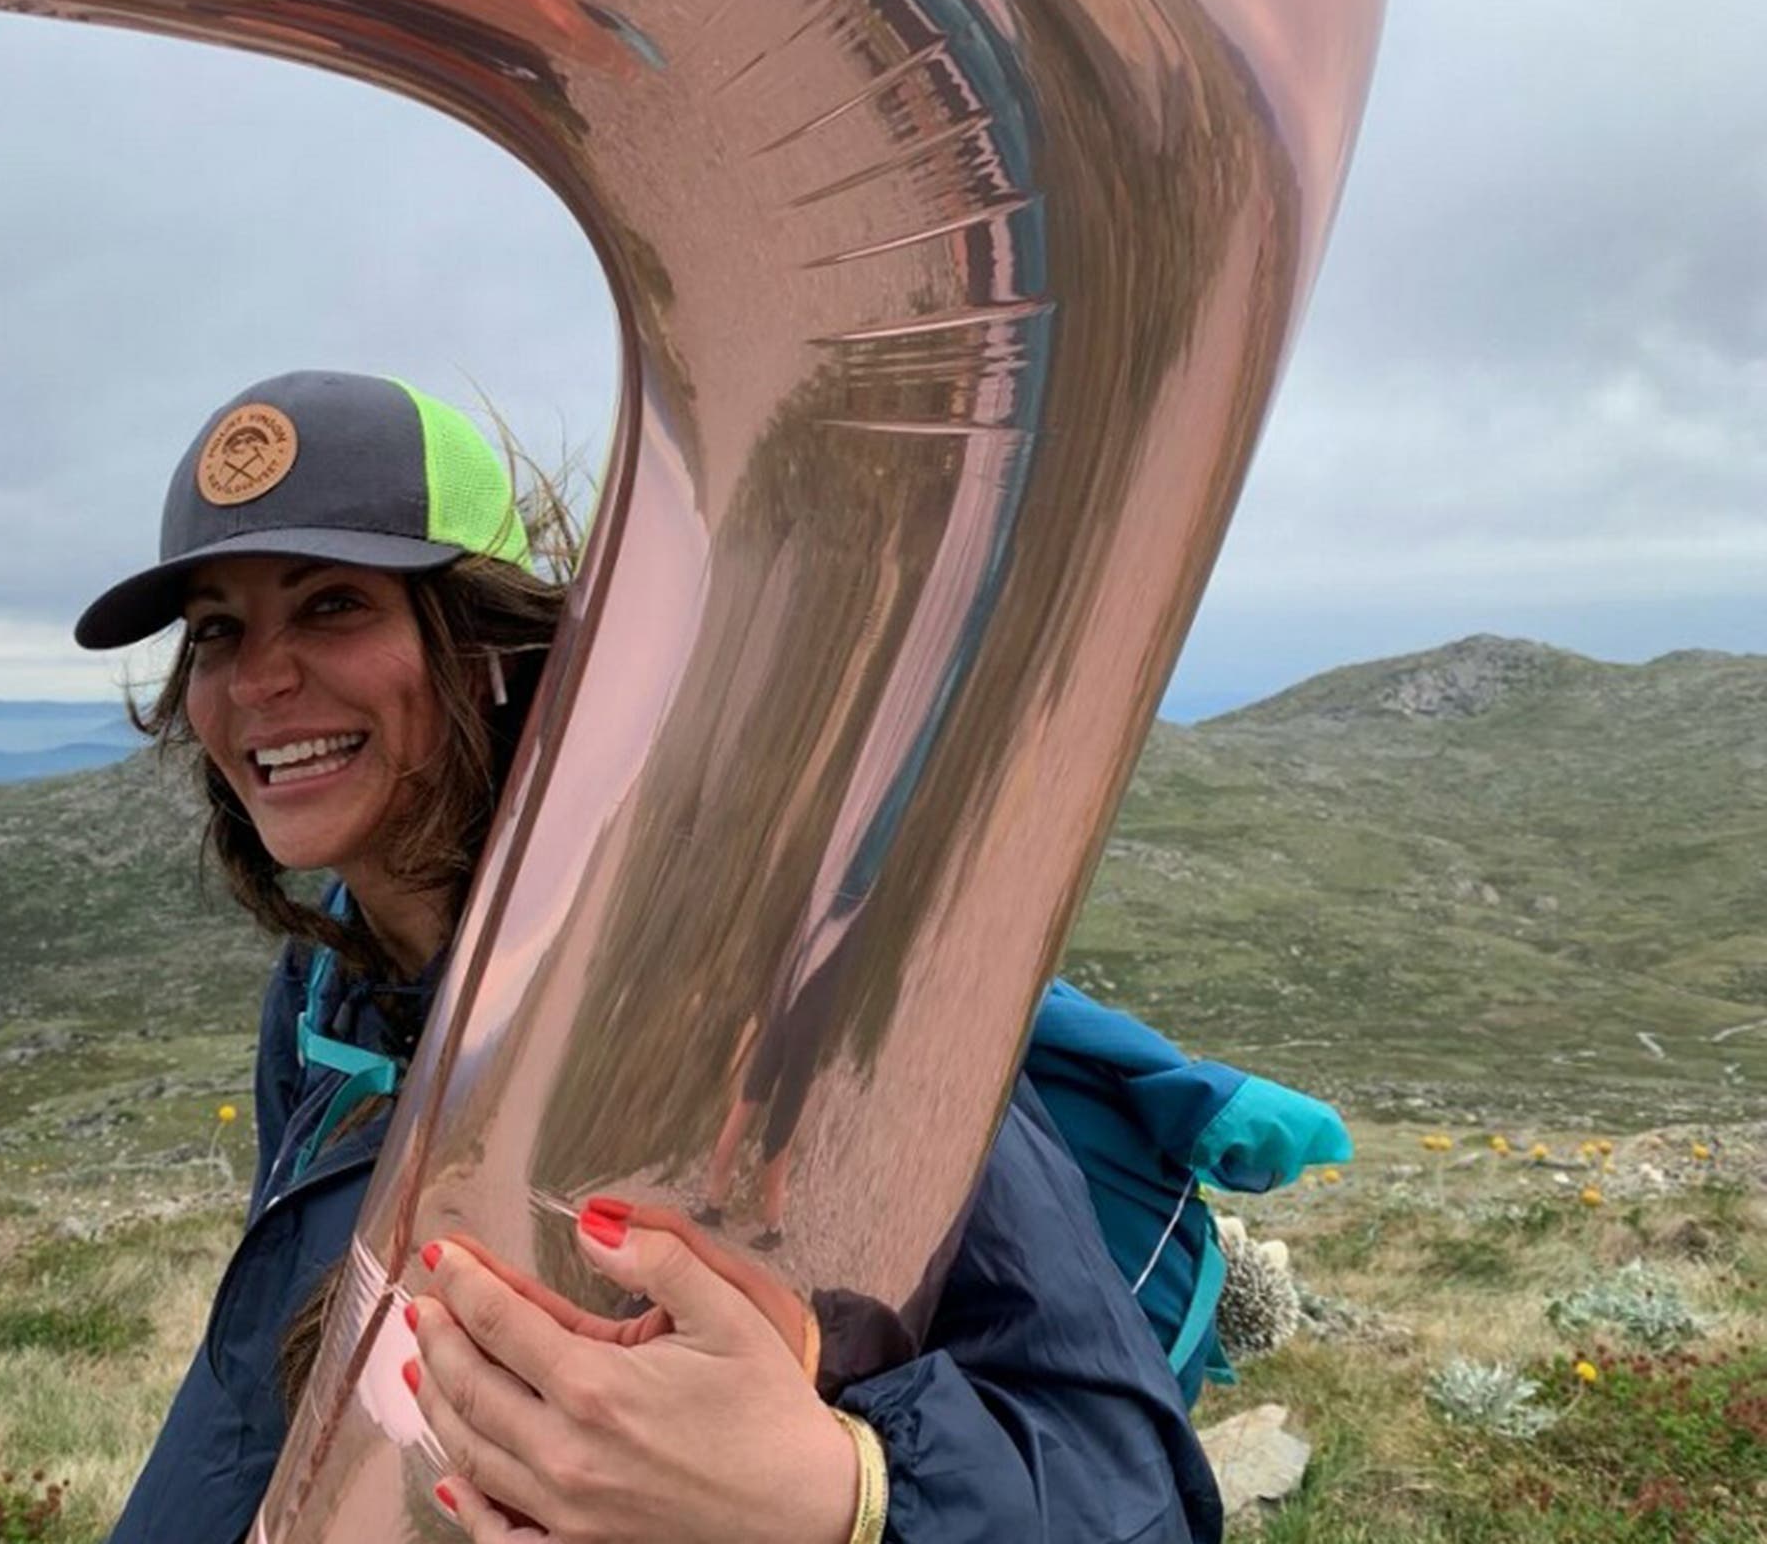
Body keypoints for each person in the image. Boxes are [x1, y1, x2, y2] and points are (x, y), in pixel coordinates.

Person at [77, 368, 1223, 1544]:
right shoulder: (326, 987)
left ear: (485, 640)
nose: (258, 679)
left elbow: (1124, 1486)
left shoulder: (755, 978)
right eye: (218, 630)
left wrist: (839, 1493)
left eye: (331, 606)